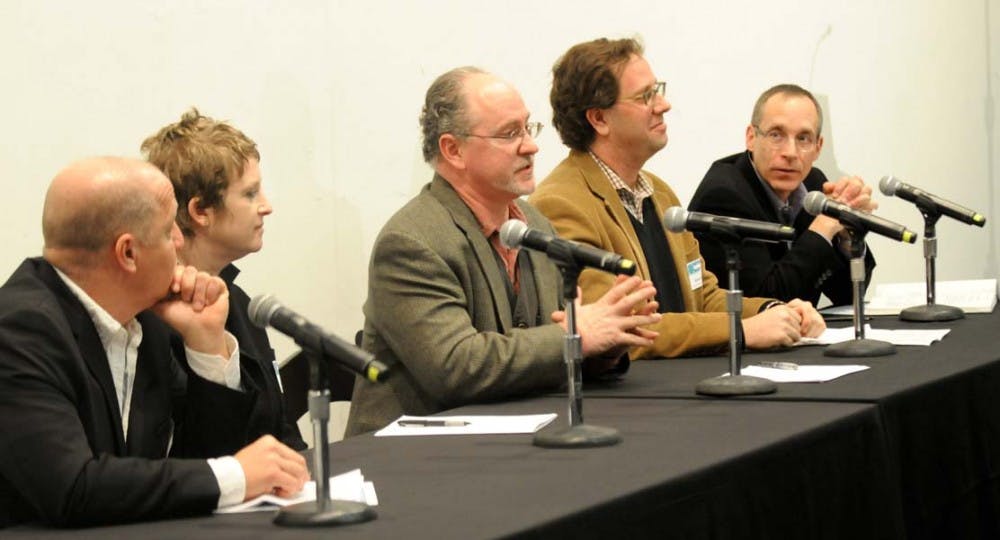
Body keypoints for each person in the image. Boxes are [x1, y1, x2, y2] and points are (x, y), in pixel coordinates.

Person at [345, 67, 662, 436]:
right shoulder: (411, 243)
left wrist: (604, 345)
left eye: (529, 128)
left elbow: (537, 357)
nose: (531, 146)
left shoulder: (535, 226)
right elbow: (456, 368)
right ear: (453, 149)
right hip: (412, 461)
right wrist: (576, 336)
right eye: (510, 134)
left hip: (510, 442)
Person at [0, 157, 308, 528]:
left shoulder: (146, 317)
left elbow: (196, 464)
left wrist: (206, 343)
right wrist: (236, 476)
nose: (180, 242)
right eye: (168, 232)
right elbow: (72, 488)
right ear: (128, 253)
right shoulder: (19, 331)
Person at [531, 38, 825, 359]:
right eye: (646, 96)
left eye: (658, 89)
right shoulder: (561, 204)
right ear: (599, 119)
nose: (663, 105)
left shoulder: (659, 192)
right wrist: (740, 330)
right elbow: (622, 329)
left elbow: (703, 296)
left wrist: (774, 310)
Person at [141, 109, 305, 450]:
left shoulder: (242, 304)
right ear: (201, 211)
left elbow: (280, 430)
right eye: (250, 194)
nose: (266, 206)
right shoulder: (151, 322)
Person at [689, 84, 877, 305]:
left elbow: (848, 294)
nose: (790, 153)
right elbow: (766, 301)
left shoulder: (812, 184)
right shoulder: (724, 195)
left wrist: (848, 238)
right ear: (751, 137)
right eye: (776, 135)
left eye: (803, 138)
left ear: (818, 147)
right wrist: (824, 227)